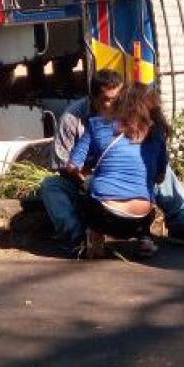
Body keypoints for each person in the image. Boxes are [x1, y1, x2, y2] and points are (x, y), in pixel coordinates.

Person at [42, 70, 184, 255]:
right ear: (93, 99)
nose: (114, 104)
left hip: (120, 188)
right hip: (86, 182)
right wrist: (89, 177)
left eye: (119, 98)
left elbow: (154, 167)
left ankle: (181, 225)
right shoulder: (73, 118)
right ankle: (77, 240)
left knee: (158, 170)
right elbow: (63, 166)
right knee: (51, 186)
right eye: (107, 99)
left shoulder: (135, 118)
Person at [67, 84, 169, 259]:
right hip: (141, 218)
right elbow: (160, 177)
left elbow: (72, 166)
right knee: (149, 184)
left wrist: (91, 172)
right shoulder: (157, 133)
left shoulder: (98, 125)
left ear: (120, 102)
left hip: (104, 216)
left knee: (89, 184)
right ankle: (144, 238)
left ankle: (95, 238)